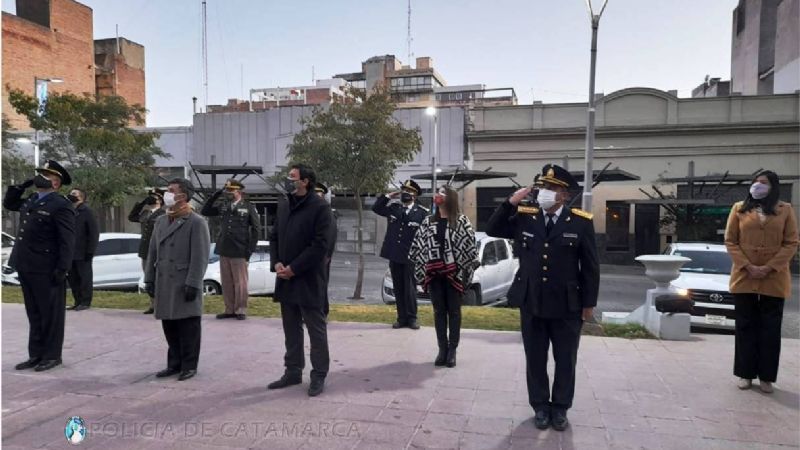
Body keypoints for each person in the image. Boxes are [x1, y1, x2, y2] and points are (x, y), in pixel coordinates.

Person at [486, 164, 599, 432]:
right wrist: (510, 203)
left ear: (563, 194)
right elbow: (492, 229)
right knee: (535, 358)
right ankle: (539, 405)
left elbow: (591, 267)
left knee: (565, 359)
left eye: (551, 188)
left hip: (567, 305)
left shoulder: (581, 221)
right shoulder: (526, 216)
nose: (544, 192)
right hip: (532, 301)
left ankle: (560, 408)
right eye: (542, 187)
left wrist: (588, 305)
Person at [724, 170, 798, 393]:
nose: (758, 186)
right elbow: (730, 240)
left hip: (773, 278)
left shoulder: (785, 210)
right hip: (744, 276)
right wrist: (748, 266)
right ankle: (745, 374)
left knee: (770, 330)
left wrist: (768, 267)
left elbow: (791, 242)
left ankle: (766, 377)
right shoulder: (739, 208)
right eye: (755, 182)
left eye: (763, 183)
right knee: (745, 327)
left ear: (773, 186)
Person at [3, 160, 75, 372]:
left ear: (56, 183)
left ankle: (52, 356)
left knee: (50, 314)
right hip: (26, 264)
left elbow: (67, 240)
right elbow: (9, 204)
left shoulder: (61, 205)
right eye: (40, 173)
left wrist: (63, 268)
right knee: (34, 313)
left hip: (47, 268)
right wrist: (20, 187)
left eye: (46, 175)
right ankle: (36, 354)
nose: (40, 177)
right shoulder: (33, 199)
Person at [268, 164, 333, 397]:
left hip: (308, 279)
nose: (288, 180)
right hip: (285, 277)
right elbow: (274, 236)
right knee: (290, 328)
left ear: (305, 181)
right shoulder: (285, 204)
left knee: (316, 329)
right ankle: (293, 371)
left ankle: (319, 375)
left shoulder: (320, 208)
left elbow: (320, 245)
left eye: (292, 177)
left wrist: (294, 268)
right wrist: (276, 263)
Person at [143, 178, 210, 382]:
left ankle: (189, 365)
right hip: (164, 279)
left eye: (172, 191)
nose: (167, 194)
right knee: (169, 325)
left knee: (188, 326)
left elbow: (200, 256)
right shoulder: (162, 220)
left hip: (183, 280)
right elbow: (152, 251)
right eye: (167, 190)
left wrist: (194, 283)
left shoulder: (196, 221)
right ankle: (174, 363)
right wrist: (149, 278)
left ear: (183, 196)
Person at [409, 185, 478, 368]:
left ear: (450, 198)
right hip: (433, 274)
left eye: (442, 193)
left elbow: (470, 246)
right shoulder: (428, 221)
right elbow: (418, 245)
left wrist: (463, 265)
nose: (437, 195)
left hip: (453, 275)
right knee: (439, 312)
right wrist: (418, 263)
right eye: (437, 192)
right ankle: (442, 349)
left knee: (454, 312)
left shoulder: (461, 221)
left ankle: (452, 350)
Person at [201, 179, 261, 320]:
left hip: (240, 249)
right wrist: (216, 195)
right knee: (226, 281)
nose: (228, 193)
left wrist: (249, 251)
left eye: (231, 190)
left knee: (240, 282)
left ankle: (240, 309)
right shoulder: (224, 205)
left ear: (239, 191)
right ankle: (229, 309)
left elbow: (256, 229)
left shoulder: (248, 207)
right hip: (224, 248)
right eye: (227, 190)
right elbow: (206, 211)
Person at [372, 180, 428, 330]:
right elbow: (376, 208)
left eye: (409, 191)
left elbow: (426, 235)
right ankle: (401, 318)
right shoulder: (394, 209)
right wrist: (389, 196)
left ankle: (412, 318)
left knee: (410, 289)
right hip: (394, 254)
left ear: (415, 195)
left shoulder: (422, 213)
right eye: (404, 191)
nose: (406, 194)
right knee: (398, 288)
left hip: (411, 256)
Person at [128, 188, 166, 314]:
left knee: (159, 278)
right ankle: (153, 304)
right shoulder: (145, 213)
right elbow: (132, 217)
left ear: (160, 199)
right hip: (145, 251)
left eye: (153, 197)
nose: (151, 199)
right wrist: (142, 202)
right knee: (148, 278)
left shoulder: (164, 213)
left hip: (157, 250)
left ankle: (161, 304)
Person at [66, 188, 99, 311]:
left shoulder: (86, 211)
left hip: (83, 252)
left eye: (74, 194)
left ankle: (85, 301)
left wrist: (90, 251)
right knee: (73, 278)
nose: (71, 195)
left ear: (81, 197)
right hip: (70, 252)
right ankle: (77, 301)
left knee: (84, 278)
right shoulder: (69, 210)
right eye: (71, 193)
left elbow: (94, 233)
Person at [315, 182, 338, 317]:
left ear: (323, 196)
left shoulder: (327, 212)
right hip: (308, 255)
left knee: (321, 285)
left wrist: (327, 255)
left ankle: (322, 312)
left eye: (319, 195)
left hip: (322, 256)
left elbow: (332, 234)